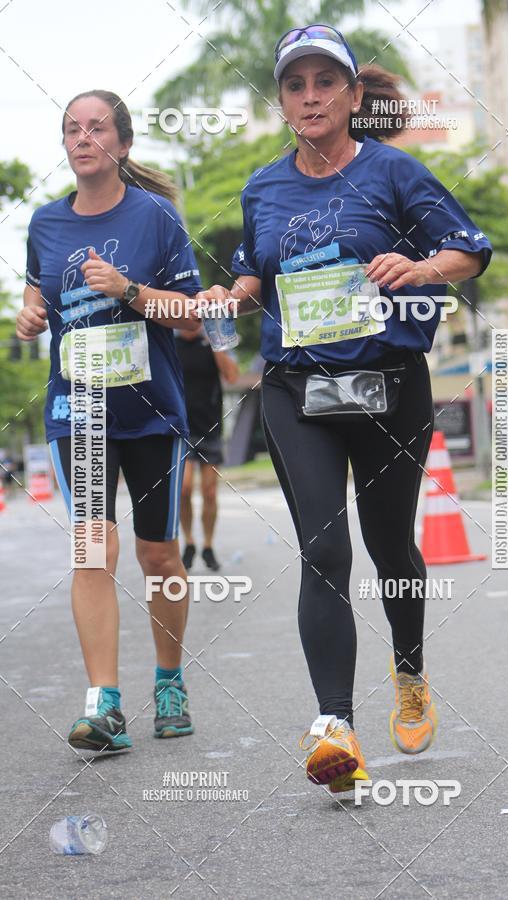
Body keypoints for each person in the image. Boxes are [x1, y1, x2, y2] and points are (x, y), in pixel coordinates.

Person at [199, 25, 493, 793]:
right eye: (295, 85)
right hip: (297, 389)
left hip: (391, 385)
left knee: (390, 547)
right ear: (283, 102)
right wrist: (216, 302)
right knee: (325, 551)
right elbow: (250, 282)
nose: (310, 96)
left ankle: (410, 673)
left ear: (353, 96)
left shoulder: (395, 171)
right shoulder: (263, 188)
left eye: (325, 82)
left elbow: (469, 248)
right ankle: (335, 728)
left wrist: (421, 264)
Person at [16, 89, 205, 752]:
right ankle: (104, 703)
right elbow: (39, 291)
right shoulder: (45, 222)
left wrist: (128, 290)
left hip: (150, 412)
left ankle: (170, 680)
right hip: (81, 410)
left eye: (96, 127)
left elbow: (191, 318)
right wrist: (29, 313)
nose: (83, 137)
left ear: (121, 145)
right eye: (72, 128)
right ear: (65, 146)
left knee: (158, 553)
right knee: (94, 546)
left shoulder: (157, 218)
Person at [175, 320, 239, 572]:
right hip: (180, 428)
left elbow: (232, 377)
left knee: (210, 492)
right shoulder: (170, 343)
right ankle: (189, 541)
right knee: (184, 489)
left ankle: (208, 545)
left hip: (210, 426)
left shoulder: (212, 342)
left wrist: (215, 343)